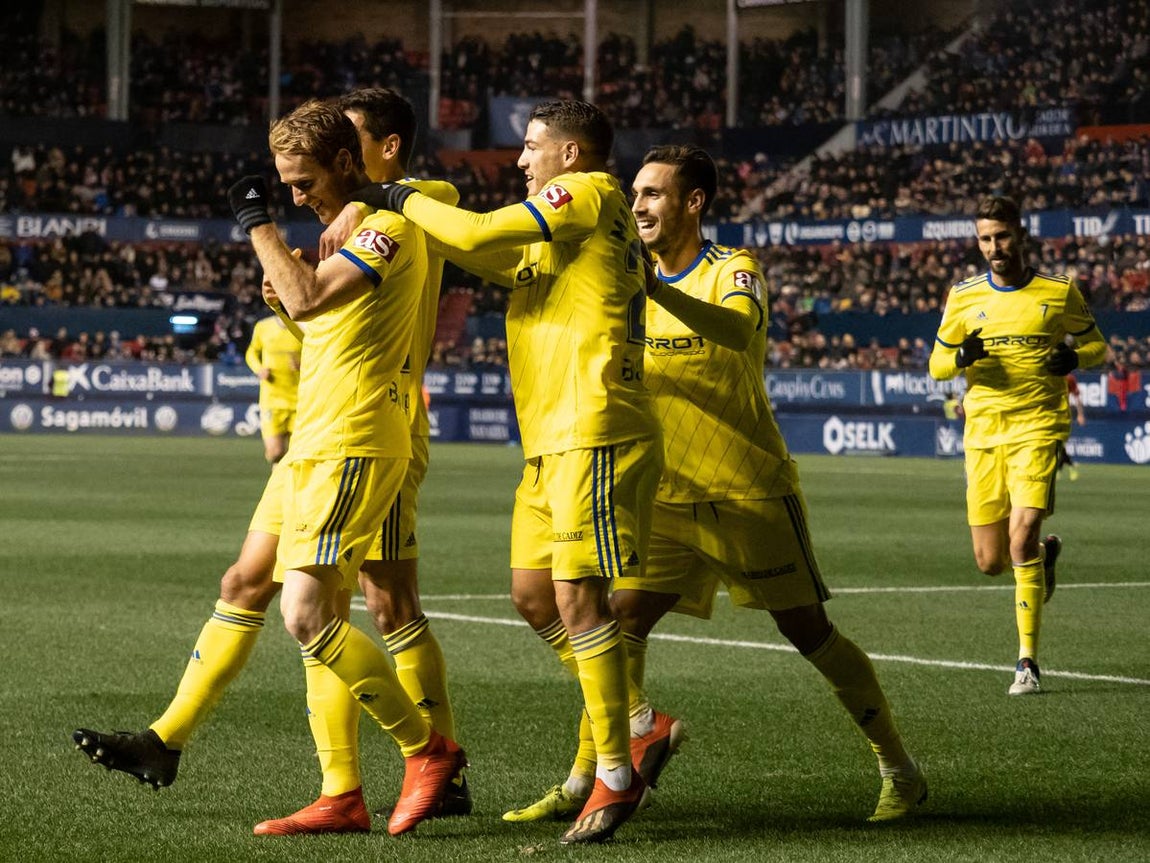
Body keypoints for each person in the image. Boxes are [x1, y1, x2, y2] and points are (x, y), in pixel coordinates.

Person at [74, 99, 464, 838]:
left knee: (349, 608)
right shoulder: (347, 227)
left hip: (357, 433)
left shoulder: (393, 219)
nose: (296, 195)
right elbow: (321, 319)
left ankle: (431, 753)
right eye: (284, 185)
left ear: (355, 156)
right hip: (318, 435)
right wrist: (288, 295)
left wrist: (259, 226)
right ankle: (333, 786)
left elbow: (343, 268)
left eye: (303, 180)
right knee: (268, 589)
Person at [510, 144, 926, 824]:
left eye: (653, 194)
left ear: (693, 201)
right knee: (615, 622)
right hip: (662, 496)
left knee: (807, 630)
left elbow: (737, 329)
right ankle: (592, 774)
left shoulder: (733, 269)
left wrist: (658, 292)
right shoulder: (619, 277)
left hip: (745, 490)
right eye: (634, 194)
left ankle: (899, 768)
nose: (638, 205)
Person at [355, 99, 662, 844]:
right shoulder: (566, 238)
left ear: (570, 153)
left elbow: (477, 232)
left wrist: (394, 194)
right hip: (550, 440)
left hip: (593, 427)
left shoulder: (588, 192)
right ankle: (639, 720)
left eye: (531, 147)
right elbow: (477, 250)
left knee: (578, 600)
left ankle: (618, 772)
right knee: (533, 596)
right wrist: (398, 214)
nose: (521, 160)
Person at [319, 86, 469, 817]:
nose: (340, 158)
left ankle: (414, 765)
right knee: (379, 599)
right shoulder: (366, 214)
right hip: (350, 417)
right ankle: (398, 778)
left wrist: (369, 199)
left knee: (340, 599)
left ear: (389, 148)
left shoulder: (411, 206)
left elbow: (444, 191)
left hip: (381, 419)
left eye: (352, 143)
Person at [928, 195, 1106, 695]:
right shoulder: (963, 296)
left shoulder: (1058, 291)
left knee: (1021, 536)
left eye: (1002, 236)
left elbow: (1098, 347)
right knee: (990, 562)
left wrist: (1074, 359)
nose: (994, 247)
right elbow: (937, 366)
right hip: (984, 433)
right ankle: (1042, 562)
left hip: (1038, 427)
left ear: (1021, 235)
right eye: (985, 239)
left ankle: (1027, 662)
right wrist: (960, 356)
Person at [244, 312, 301, 464]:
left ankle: (283, 477)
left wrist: (302, 364)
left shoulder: (305, 327)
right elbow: (251, 352)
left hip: (300, 401)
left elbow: (318, 355)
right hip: (272, 400)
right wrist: (259, 369)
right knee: (275, 452)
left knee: (297, 454)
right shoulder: (263, 326)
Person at [1056, 373, 1086, 480]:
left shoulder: (1069, 378)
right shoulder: (1045, 374)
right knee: (1058, 445)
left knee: (1059, 443)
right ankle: (1068, 466)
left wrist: (1080, 414)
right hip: (1047, 414)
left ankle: (1062, 468)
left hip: (1062, 415)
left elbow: (1077, 397)